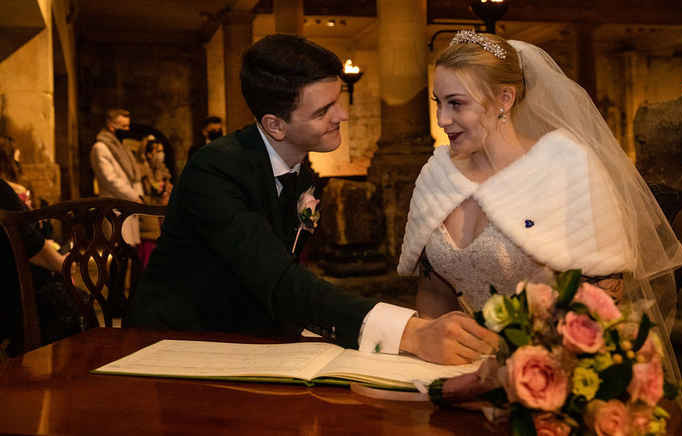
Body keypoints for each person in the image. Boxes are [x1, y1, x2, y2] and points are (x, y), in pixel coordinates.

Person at [397, 31, 682, 432]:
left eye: (457, 104)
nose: (442, 120)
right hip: (464, 381)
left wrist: (521, 373)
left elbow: (603, 307)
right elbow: (435, 289)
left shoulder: (565, 167)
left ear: (504, 100)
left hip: (554, 380)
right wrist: (433, 354)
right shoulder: (438, 175)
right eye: (439, 103)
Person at [128, 34, 499, 365]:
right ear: (276, 124)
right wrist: (410, 333)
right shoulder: (215, 171)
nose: (343, 115)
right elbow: (279, 280)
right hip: (180, 347)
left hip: (256, 338)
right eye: (323, 111)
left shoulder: (302, 172)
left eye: (336, 100)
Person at [0, 151, 97, 357]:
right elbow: (35, 249)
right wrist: (64, 264)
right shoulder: (2, 191)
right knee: (72, 301)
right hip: (11, 301)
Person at [90, 108, 143, 246]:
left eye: (128, 125)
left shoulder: (122, 147)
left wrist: (138, 196)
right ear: (111, 126)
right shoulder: (100, 147)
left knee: (130, 250)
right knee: (116, 249)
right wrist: (133, 196)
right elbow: (110, 180)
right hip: (115, 206)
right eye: (124, 126)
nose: (128, 129)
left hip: (129, 206)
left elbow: (132, 176)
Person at [137, 136, 172, 267]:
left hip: (160, 215)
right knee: (147, 255)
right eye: (158, 151)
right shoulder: (141, 170)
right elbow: (143, 193)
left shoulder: (161, 169)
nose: (161, 155)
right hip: (148, 217)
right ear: (148, 154)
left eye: (162, 151)